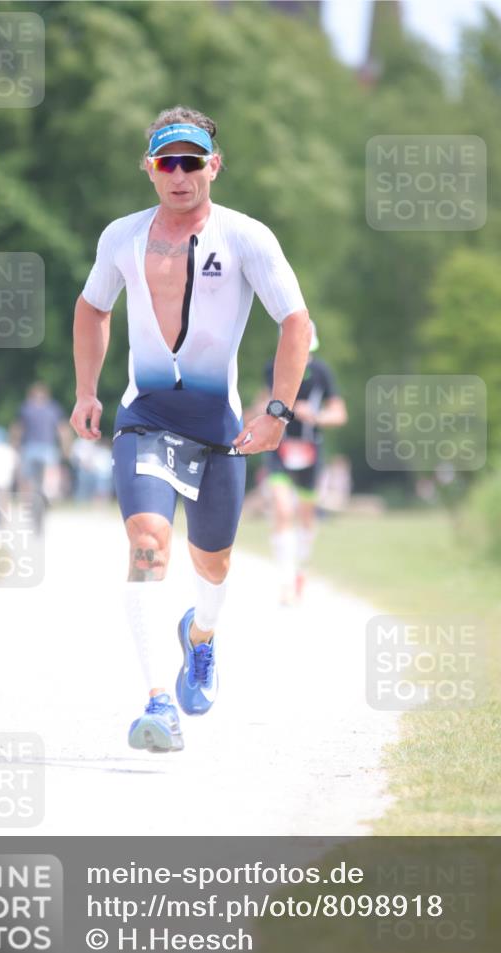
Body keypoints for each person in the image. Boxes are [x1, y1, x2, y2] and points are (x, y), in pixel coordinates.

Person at [70, 106, 311, 753]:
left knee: (214, 562)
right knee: (149, 544)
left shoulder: (246, 238)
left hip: (219, 432)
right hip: (144, 418)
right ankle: (156, 704)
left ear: (214, 166)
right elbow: (93, 307)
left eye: (192, 161)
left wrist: (278, 411)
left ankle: (199, 637)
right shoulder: (121, 237)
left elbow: (296, 324)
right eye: (166, 162)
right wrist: (87, 392)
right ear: (149, 168)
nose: (179, 174)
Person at [258, 322, 347, 604]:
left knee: (306, 516)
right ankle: (285, 581)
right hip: (279, 449)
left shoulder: (322, 372)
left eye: (307, 348)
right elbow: (260, 403)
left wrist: (316, 416)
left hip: (310, 450)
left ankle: (300, 569)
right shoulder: (271, 369)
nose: (302, 354)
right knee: (283, 511)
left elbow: (340, 414)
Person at [11, 382, 71, 502]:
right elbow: (63, 429)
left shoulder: (26, 408)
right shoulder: (53, 408)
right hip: (46, 446)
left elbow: (17, 429)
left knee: (27, 475)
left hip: (31, 447)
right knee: (51, 472)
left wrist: (15, 445)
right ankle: (49, 496)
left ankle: (27, 500)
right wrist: (66, 448)